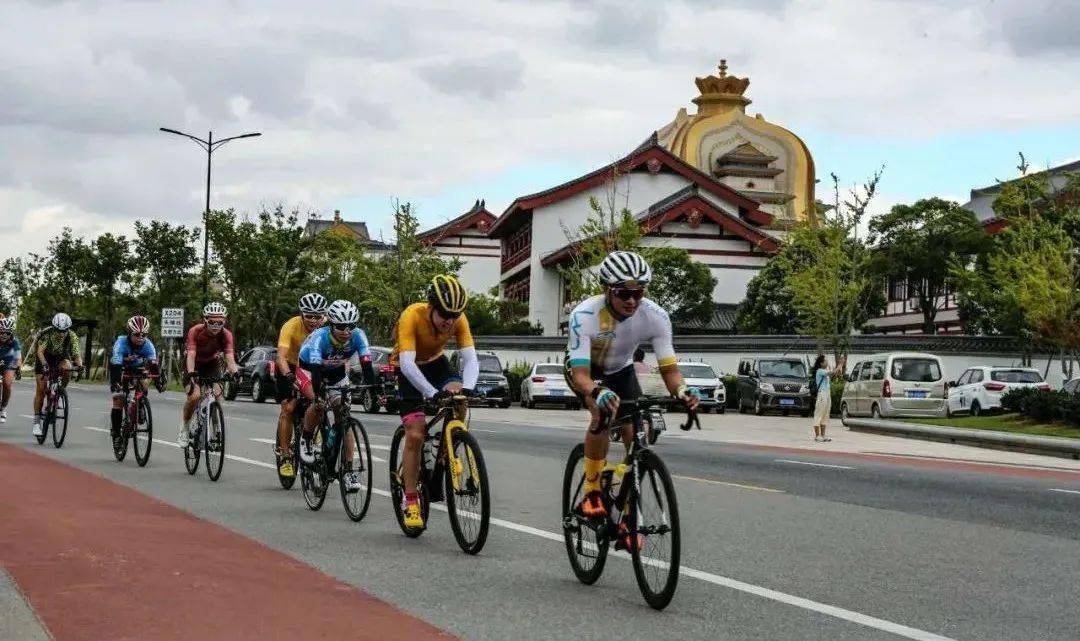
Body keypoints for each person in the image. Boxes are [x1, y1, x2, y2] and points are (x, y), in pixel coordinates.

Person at [564, 251, 699, 551]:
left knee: (639, 432)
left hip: (621, 370)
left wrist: (682, 391)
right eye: (624, 293)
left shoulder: (656, 316)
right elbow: (582, 375)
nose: (632, 301)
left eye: (639, 293)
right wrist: (597, 392)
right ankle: (592, 491)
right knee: (602, 413)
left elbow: (670, 370)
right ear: (606, 290)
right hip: (587, 370)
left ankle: (627, 504)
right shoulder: (584, 315)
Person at [391, 274, 478, 530]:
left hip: (436, 363)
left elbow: (471, 360)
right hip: (408, 367)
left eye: (455, 315)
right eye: (444, 315)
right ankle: (411, 500)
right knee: (416, 435)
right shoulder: (412, 315)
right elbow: (407, 365)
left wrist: (469, 388)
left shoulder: (458, 319)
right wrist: (430, 393)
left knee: (459, 399)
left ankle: (446, 448)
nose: (449, 322)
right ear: (431, 308)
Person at [295, 299, 374, 492]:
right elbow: (315, 370)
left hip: (337, 373)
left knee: (343, 417)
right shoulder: (319, 338)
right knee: (320, 403)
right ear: (331, 324)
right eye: (341, 326)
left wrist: (373, 388)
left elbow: (366, 364)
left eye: (351, 326)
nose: (347, 331)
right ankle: (305, 439)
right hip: (310, 370)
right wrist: (320, 392)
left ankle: (347, 470)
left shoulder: (359, 336)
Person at [274, 293, 328, 479]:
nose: (314, 320)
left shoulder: (328, 326)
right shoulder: (290, 326)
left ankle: (313, 429)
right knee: (289, 408)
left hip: (313, 365)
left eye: (318, 316)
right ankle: (286, 456)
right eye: (309, 316)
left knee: (320, 401)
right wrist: (288, 375)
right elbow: (280, 357)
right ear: (301, 314)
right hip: (290, 364)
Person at [179, 302, 238, 445]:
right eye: (212, 322)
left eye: (220, 322)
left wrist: (235, 373)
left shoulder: (226, 335)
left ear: (224, 321)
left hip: (212, 363)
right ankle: (184, 428)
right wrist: (192, 374)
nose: (216, 326)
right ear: (205, 320)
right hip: (193, 363)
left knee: (217, 395)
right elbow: (191, 355)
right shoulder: (195, 331)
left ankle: (217, 429)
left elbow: (229, 358)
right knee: (195, 397)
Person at [109, 316, 164, 443]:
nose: (140, 338)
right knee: (118, 398)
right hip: (119, 367)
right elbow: (116, 364)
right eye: (137, 334)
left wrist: (158, 381)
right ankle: (116, 433)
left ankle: (140, 404)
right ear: (129, 333)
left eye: (144, 335)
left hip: (136, 367)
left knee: (145, 380)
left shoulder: (148, 345)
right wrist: (117, 384)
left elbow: (153, 365)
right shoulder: (121, 344)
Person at [32, 313, 83, 437]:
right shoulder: (47, 334)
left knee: (67, 367)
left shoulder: (72, 336)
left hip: (60, 357)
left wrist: (80, 366)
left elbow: (76, 354)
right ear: (54, 327)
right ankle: (37, 422)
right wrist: (44, 365)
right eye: (59, 330)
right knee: (42, 389)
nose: (61, 333)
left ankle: (59, 392)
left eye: (64, 331)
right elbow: (40, 351)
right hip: (44, 357)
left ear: (68, 329)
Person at [810, 353, 846, 442]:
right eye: (826, 361)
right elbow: (833, 372)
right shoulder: (820, 371)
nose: (827, 362)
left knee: (825, 415)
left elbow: (836, 374)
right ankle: (817, 435)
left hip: (827, 394)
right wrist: (840, 364)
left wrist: (840, 366)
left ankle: (823, 435)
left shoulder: (825, 371)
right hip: (822, 394)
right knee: (819, 414)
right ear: (821, 363)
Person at [0, 318, 22, 424]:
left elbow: (18, 357)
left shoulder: (14, 341)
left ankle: (3, 408)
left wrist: (18, 368)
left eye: (7, 333)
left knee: (7, 383)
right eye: (2, 332)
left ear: (11, 333)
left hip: (9, 360)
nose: (4, 335)